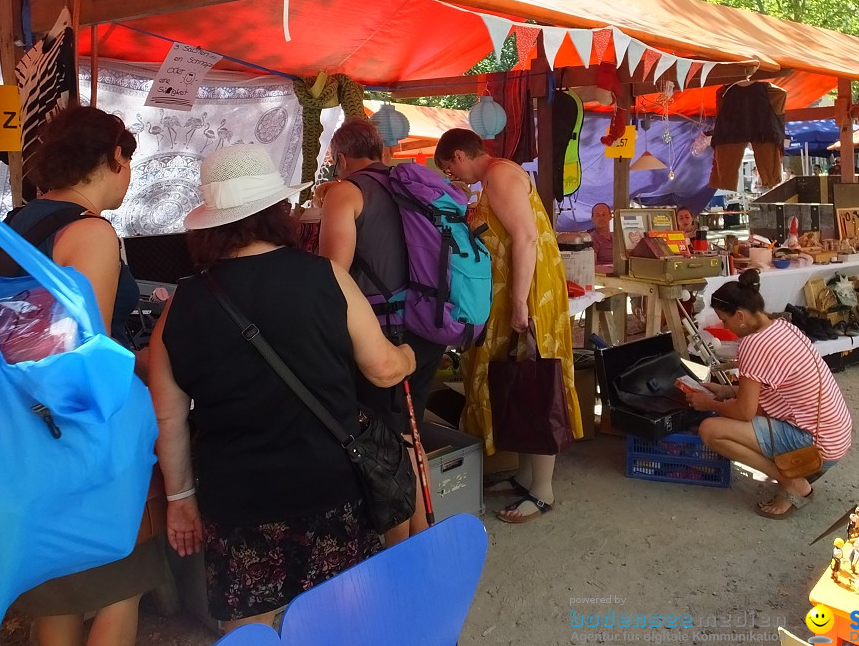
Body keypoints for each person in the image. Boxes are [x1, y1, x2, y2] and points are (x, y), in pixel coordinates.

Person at [146, 144, 416, 631]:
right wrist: (408, 355)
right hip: (331, 483)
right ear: (280, 212)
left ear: (211, 224)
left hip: (238, 499)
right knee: (347, 619)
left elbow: (168, 416)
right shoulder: (324, 277)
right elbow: (382, 369)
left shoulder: (180, 306)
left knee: (251, 630)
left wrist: (181, 499)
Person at [1, 107, 169, 646]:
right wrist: (151, 360)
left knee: (59, 586)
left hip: (21, 427)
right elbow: (87, 352)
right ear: (116, 157)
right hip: (81, 434)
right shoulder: (90, 232)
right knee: (120, 582)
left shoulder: (15, 222)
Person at [434, 129, 582, 523]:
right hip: (514, 289)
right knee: (514, 382)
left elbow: (526, 237)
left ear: (461, 155)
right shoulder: (497, 177)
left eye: (449, 167)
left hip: (527, 290)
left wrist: (519, 301)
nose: (453, 176)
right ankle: (524, 476)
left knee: (535, 383)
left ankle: (543, 490)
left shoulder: (498, 175)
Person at [318, 118, 446, 545]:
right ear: (382, 150)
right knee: (409, 432)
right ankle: (422, 538)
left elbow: (332, 275)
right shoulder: (408, 184)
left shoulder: (346, 191)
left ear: (339, 159)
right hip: (429, 325)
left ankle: (404, 550)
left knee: (384, 444)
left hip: (383, 335)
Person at [680, 270, 852, 520]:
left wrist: (709, 402)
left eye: (724, 320)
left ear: (740, 316)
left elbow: (744, 411)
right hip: (836, 437)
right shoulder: (783, 327)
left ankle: (792, 482)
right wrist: (725, 390)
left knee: (710, 430)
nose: (724, 327)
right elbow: (770, 390)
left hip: (816, 447)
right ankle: (792, 478)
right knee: (747, 416)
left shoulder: (753, 344)